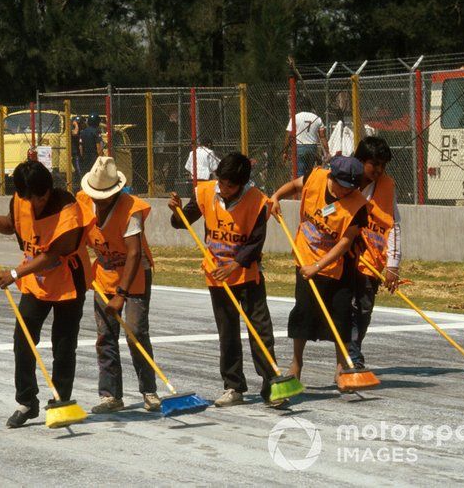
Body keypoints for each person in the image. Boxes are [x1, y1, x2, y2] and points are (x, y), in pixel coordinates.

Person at [0, 160, 95, 428]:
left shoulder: (66, 207)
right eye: (29, 198)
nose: (35, 204)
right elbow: (11, 225)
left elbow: (54, 254)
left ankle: (60, 401)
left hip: (68, 281)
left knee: (63, 343)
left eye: (40, 197)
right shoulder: (21, 199)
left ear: (48, 190)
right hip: (36, 282)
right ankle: (27, 401)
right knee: (22, 337)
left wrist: (14, 274)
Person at [169, 152, 282, 407]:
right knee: (227, 333)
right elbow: (181, 223)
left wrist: (235, 264)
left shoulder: (257, 202)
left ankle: (272, 386)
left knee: (260, 331)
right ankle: (233, 386)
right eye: (221, 182)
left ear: (242, 184)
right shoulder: (206, 192)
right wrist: (176, 211)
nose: (223, 188)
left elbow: (255, 242)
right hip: (217, 276)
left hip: (247, 276)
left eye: (230, 185)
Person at [270, 156, 368, 383]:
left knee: (341, 317)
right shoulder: (316, 178)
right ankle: (296, 364)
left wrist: (319, 266)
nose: (346, 193)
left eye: (351, 188)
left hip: (336, 267)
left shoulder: (358, 204)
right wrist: (276, 197)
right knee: (302, 313)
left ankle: (341, 368)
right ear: (333, 177)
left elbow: (345, 242)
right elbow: (294, 185)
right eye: (343, 187)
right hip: (305, 258)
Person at [76, 157, 160, 414]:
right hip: (104, 274)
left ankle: (149, 390)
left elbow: (134, 253)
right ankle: (111, 395)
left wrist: (121, 295)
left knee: (135, 333)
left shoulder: (131, 208)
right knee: (105, 336)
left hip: (134, 275)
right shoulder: (82, 202)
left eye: (104, 196)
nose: (99, 201)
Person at [350, 137, 402, 368]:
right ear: (360, 161)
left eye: (383, 165)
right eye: (374, 164)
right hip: (342, 258)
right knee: (345, 307)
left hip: (371, 261)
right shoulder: (344, 179)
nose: (379, 170)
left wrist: (393, 264)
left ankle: (353, 351)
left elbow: (394, 225)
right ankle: (350, 358)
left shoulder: (388, 187)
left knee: (363, 309)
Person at [283, 103, 329, 177]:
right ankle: (308, 187)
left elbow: (288, 135)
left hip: (299, 147)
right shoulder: (317, 118)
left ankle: (301, 187)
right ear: (310, 108)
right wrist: (327, 151)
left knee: (300, 173)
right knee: (309, 173)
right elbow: (322, 136)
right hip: (312, 148)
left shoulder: (295, 117)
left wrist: (285, 152)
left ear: (300, 107)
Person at [79, 113, 103, 177]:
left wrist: (82, 156)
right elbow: (98, 146)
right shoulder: (96, 131)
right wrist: (100, 157)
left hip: (85, 157)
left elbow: (80, 147)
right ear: (97, 122)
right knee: (96, 176)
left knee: (87, 175)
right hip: (94, 157)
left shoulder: (83, 132)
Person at [70, 116, 83, 188]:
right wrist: (76, 125)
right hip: (75, 154)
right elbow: (75, 133)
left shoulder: (81, 131)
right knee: (80, 172)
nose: (79, 125)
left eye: (79, 123)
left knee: (78, 172)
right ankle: (80, 187)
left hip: (79, 154)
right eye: (78, 123)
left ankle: (76, 186)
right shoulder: (72, 130)